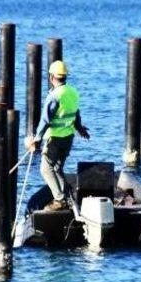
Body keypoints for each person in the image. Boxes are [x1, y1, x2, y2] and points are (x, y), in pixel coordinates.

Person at [26, 60, 90, 211]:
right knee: (57, 168)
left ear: (51, 77)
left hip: (55, 139)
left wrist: (37, 139)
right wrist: (80, 128)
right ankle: (67, 197)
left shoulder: (54, 95)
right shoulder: (72, 92)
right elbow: (76, 113)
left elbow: (45, 120)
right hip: (68, 138)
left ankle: (59, 200)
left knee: (45, 168)